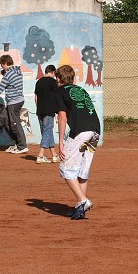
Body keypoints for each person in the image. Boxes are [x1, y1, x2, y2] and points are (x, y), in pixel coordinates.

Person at [55, 64, 100, 220]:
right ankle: (81, 207)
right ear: (72, 78)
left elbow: (62, 117)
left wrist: (60, 142)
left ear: (58, 78)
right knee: (82, 171)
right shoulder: (81, 90)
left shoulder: (60, 91)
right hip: (95, 131)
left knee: (65, 168)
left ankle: (83, 200)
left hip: (81, 132)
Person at [0, 54, 28, 154]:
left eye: (2, 65)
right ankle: (14, 144)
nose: (2, 67)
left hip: (14, 102)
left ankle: (22, 146)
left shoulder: (9, 74)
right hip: (16, 101)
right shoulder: (16, 71)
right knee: (7, 121)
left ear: (5, 63)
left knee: (15, 124)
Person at [34, 64, 59, 163]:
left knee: (46, 132)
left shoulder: (38, 82)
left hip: (40, 111)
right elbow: (57, 98)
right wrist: (57, 112)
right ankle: (40, 155)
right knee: (47, 131)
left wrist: (39, 108)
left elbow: (36, 98)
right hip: (49, 111)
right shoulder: (53, 82)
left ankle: (54, 155)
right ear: (53, 72)